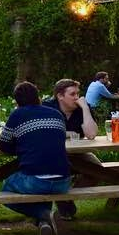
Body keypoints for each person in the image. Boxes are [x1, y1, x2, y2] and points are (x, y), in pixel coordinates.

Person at [0, 81, 71, 235]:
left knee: (6, 190)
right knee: (44, 189)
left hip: (35, 180)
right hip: (64, 181)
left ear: (17, 101)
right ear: (38, 97)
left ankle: (44, 214)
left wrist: (22, 145)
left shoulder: (18, 115)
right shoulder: (56, 114)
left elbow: (4, 145)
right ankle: (44, 225)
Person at [42, 78, 98, 221]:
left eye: (77, 94)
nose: (77, 98)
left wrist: (85, 108)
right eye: (72, 94)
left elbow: (91, 134)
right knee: (56, 171)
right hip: (52, 154)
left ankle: (66, 199)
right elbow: (43, 133)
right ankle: (61, 202)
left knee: (97, 170)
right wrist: (66, 133)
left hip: (78, 153)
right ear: (60, 96)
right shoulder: (47, 107)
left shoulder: (82, 108)